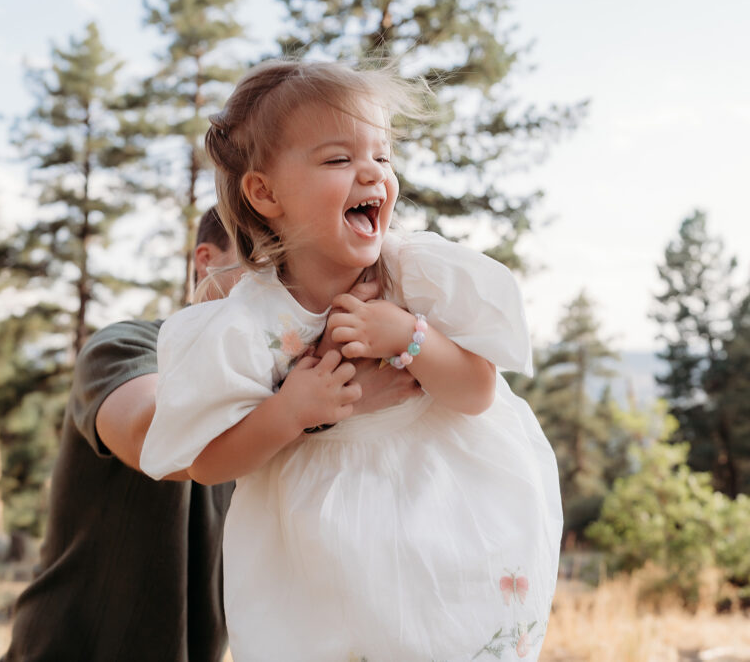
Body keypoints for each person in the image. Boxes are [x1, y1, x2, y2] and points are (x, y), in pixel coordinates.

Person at [139, 61, 562, 661]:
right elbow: (208, 462)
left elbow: (476, 391)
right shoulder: (249, 322)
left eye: (383, 157)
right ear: (265, 193)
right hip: (320, 544)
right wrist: (289, 412)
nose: (372, 173)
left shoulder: (413, 275)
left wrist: (411, 338)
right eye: (339, 159)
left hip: (440, 506)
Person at [3, 207, 419, 662]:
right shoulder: (124, 346)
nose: (292, 285)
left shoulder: (302, 391)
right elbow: (156, 438)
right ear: (207, 261)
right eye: (273, 262)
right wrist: (320, 407)